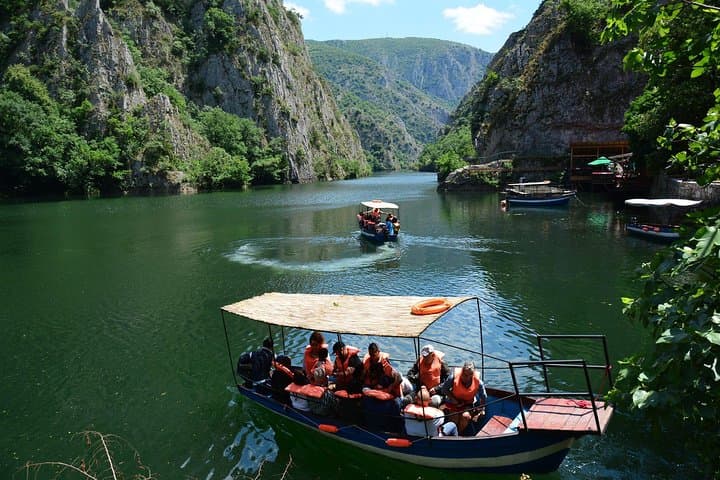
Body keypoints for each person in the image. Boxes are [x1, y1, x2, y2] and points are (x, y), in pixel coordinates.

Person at [431, 360, 487, 435]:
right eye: (464, 374)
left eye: (468, 375)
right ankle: (451, 434)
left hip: (468, 403)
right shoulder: (453, 377)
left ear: (472, 374)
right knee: (454, 417)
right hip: (453, 402)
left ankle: (458, 434)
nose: (465, 377)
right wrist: (452, 398)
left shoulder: (479, 382)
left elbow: (483, 396)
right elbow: (444, 389)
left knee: (465, 416)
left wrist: (482, 409)